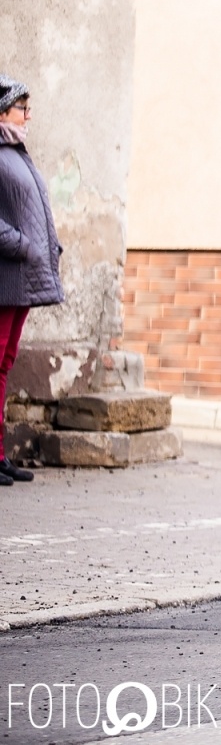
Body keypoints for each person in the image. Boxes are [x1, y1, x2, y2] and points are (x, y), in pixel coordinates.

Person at [0, 77, 64, 485]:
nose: (28, 115)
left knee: (4, 364)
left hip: (23, 279)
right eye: (22, 107)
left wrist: (50, 246)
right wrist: (25, 247)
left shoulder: (17, 155)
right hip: (7, 275)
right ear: (2, 112)